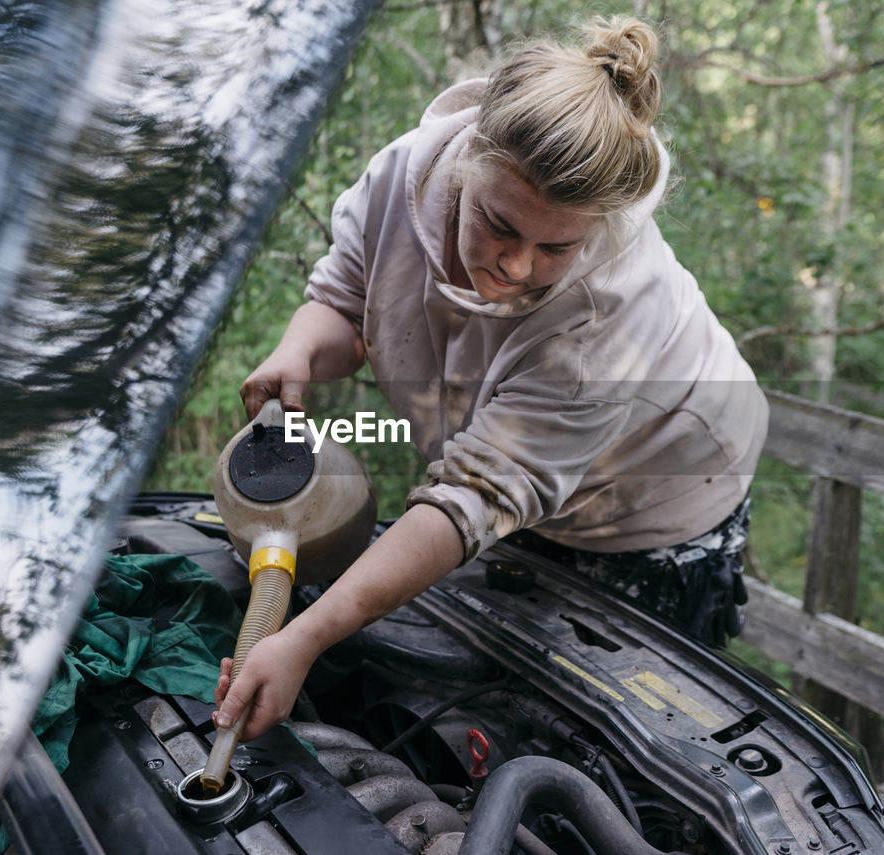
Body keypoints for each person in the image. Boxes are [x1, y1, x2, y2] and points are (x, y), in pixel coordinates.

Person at [213, 17, 768, 742]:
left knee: (593, 736)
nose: (515, 266)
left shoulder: (611, 313)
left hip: (654, 500)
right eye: (500, 226)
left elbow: (474, 497)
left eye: (554, 248)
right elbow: (346, 299)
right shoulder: (402, 175)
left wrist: (306, 637)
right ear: (470, 156)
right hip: (508, 474)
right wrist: (298, 351)